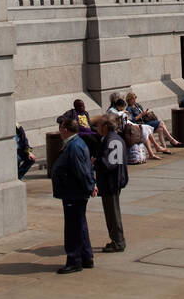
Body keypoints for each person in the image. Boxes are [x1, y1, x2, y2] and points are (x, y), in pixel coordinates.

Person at [50, 117, 96, 273]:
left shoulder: (74, 146)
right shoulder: (75, 143)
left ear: (65, 130)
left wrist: (90, 186)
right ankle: (86, 256)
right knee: (80, 224)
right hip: (74, 192)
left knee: (73, 228)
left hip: (73, 193)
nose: (59, 131)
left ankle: (74, 260)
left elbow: (81, 170)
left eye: (61, 127)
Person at [93, 115, 129, 253]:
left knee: (112, 213)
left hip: (110, 182)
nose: (97, 128)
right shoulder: (117, 139)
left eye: (99, 125)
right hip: (116, 180)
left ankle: (118, 242)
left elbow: (109, 164)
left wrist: (95, 162)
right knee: (113, 212)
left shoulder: (110, 140)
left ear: (106, 127)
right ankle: (117, 240)